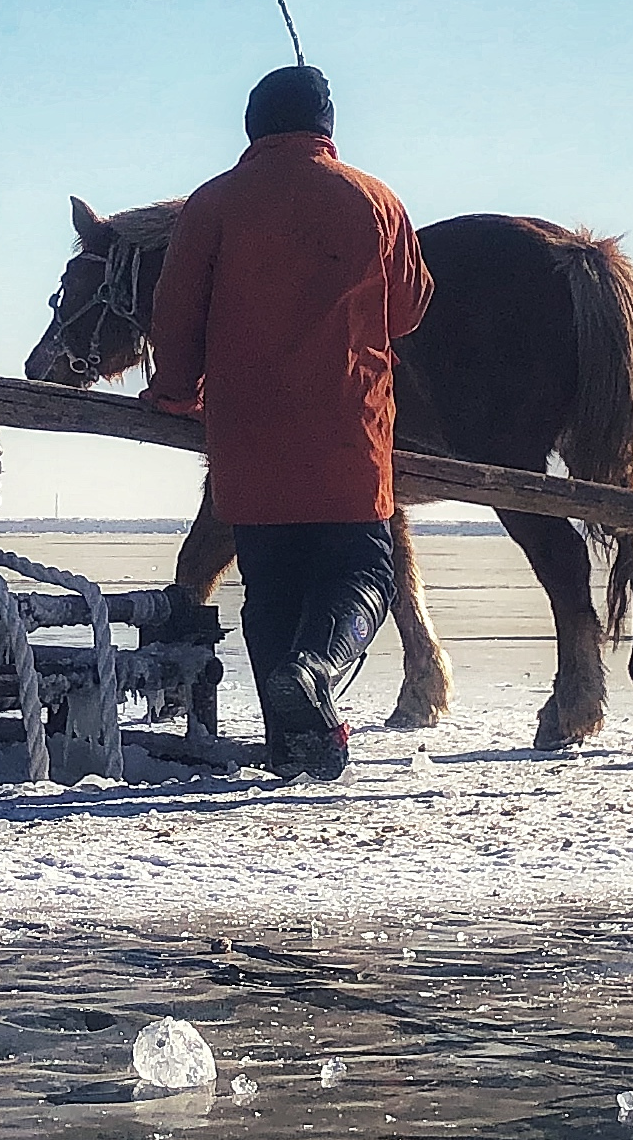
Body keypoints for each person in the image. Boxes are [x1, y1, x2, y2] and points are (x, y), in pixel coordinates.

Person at [144, 63, 432, 781]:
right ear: (326, 128)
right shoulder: (377, 201)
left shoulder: (210, 206)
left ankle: (291, 747)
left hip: (250, 452)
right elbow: (410, 309)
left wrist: (177, 394)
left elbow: (174, 321)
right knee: (363, 575)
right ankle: (315, 671)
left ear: (252, 126)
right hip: (347, 442)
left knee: (270, 589)